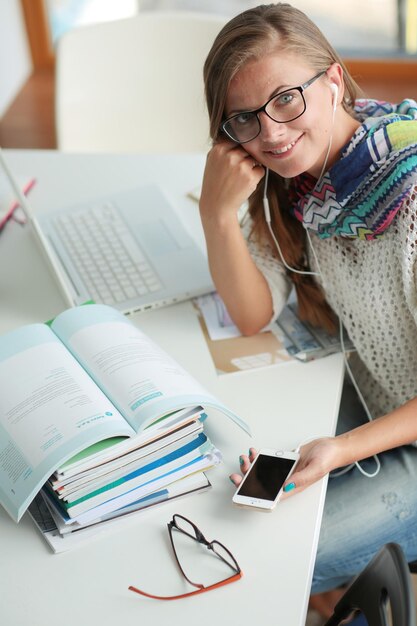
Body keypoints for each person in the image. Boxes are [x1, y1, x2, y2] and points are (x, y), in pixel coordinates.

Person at [199, 2, 417, 618]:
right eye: (244, 117)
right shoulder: (300, 183)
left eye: (286, 98)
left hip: (401, 432)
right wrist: (216, 215)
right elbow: (251, 314)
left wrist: (341, 451)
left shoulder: (409, 190)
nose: (270, 132)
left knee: (263, 558)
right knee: (230, 481)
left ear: (334, 81)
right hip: (377, 402)